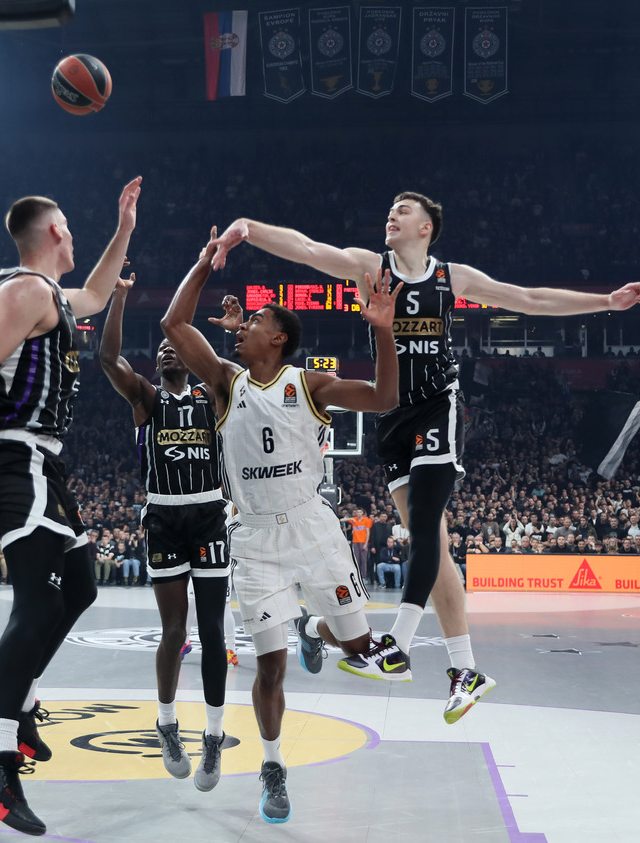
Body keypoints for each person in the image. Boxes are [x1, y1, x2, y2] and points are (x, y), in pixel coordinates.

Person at [209, 193, 640, 723]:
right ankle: (464, 669)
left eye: (403, 210)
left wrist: (607, 302)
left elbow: (529, 299)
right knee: (433, 545)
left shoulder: (451, 277)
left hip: (437, 407)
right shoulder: (368, 268)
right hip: (390, 414)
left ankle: (398, 644)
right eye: (389, 209)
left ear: (426, 228)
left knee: (424, 531)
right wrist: (247, 228)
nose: (390, 215)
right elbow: (306, 249)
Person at [162, 229, 407, 824]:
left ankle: (318, 632)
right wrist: (202, 264)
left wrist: (381, 326)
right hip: (255, 538)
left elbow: (383, 397)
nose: (240, 326)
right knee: (269, 664)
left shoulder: (308, 384)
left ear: (280, 337)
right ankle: (273, 766)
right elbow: (175, 325)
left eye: (254, 323)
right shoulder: (224, 383)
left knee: (358, 645)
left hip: (313, 530)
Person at [0, 177, 141, 835]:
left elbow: (96, 292)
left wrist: (124, 229)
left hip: (43, 461)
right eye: (72, 226)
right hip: (15, 455)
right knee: (36, 601)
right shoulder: (22, 290)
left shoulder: (51, 295)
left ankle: (20, 704)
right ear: (54, 231)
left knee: (78, 584)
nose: (75, 234)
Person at [99, 267, 230, 791]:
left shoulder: (213, 395)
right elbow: (108, 359)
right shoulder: (147, 399)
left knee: (216, 630)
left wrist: (219, 330)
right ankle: (167, 722)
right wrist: (119, 299)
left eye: (174, 347)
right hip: (164, 516)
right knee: (174, 630)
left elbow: (225, 367)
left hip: (209, 512)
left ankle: (214, 738)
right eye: (159, 351)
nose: (167, 352)